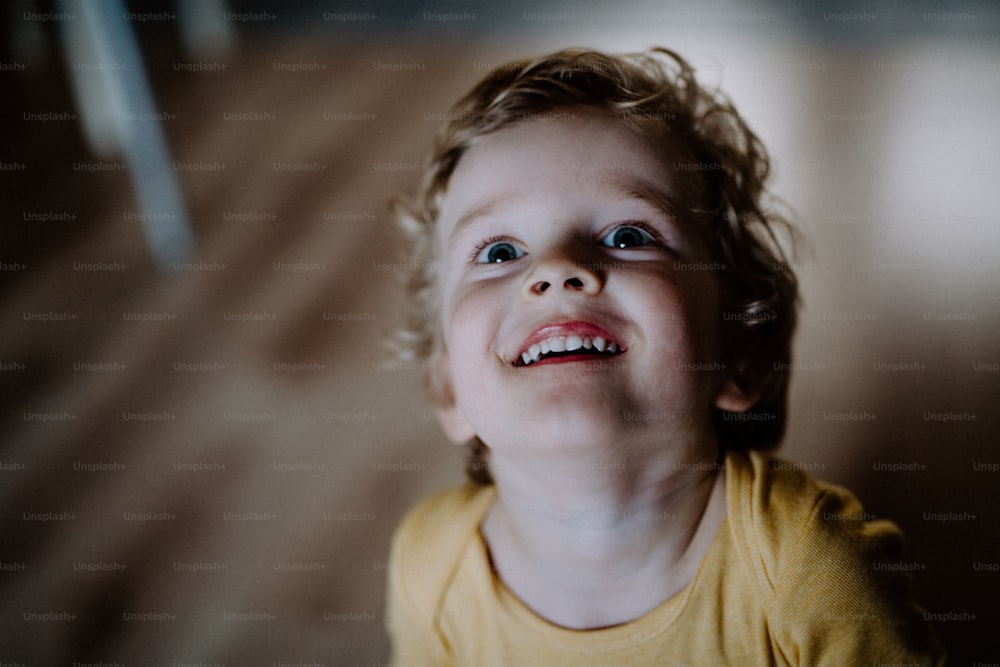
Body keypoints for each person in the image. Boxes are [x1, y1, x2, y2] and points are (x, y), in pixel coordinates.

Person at [385, 46, 945, 665]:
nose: (556, 269)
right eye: (497, 252)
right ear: (446, 387)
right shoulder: (429, 566)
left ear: (740, 354)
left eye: (628, 236)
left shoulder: (812, 570)